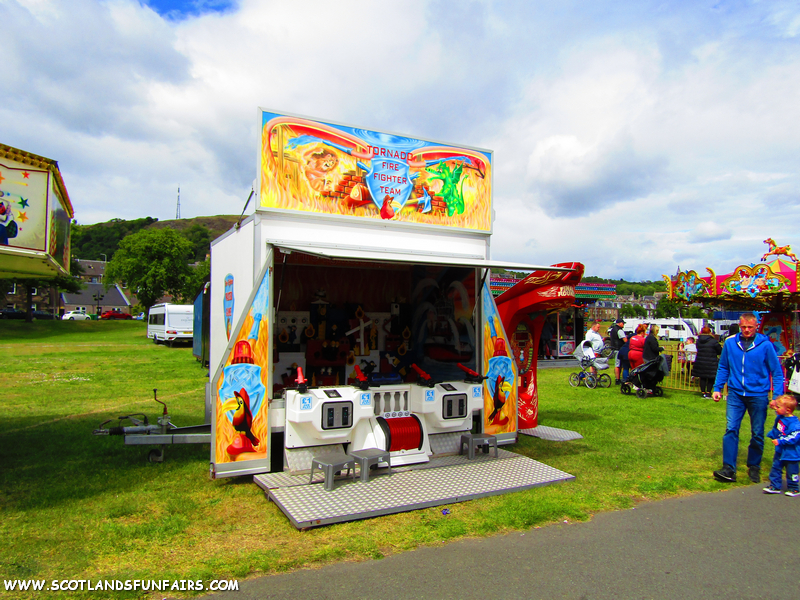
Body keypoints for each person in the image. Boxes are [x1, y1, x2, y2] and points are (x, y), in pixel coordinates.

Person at [712, 313, 784, 484]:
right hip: (736, 393)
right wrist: (717, 388)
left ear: (756, 326)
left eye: (750, 327)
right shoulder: (730, 343)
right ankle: (729, 468)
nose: (746, 330)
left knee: (757, 432)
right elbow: (723, 366)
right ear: (739, 325)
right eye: (743, 327)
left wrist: (776, 397)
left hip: (758, 394)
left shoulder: (765, 345)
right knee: (731, 429)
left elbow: (777, 373)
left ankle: (754, 466)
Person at [763, 394, 800, 496]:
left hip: (791, 453)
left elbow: (794, 437)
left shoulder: (794, 424)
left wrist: (780, 441)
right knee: (776, 468)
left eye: (778, 407)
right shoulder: (781, 417)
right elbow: (777, 429)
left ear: (788, 410)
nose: (776, 409)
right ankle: (775, 485)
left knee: (792, 471)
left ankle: (794, 488)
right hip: (780, 451)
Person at [693, 326, 722, 399]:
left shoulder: (698, 341)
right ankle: (708, 392)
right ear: (710, 332)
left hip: (700, 361)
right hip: (711, 361)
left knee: (702, 377)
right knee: (711, 377)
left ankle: (703, 392)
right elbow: (719, 350)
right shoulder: (713, 341)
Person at [607, 317, 627, 385]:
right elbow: (625, 340)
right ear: (620, 323)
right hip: (619, 349)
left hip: (614, 349)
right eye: (623, 323)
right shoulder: (620, 330)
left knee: (617, 364)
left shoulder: (613, 330)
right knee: (618, 365)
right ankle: (618, 379)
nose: (623, 325)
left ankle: (617, 378)